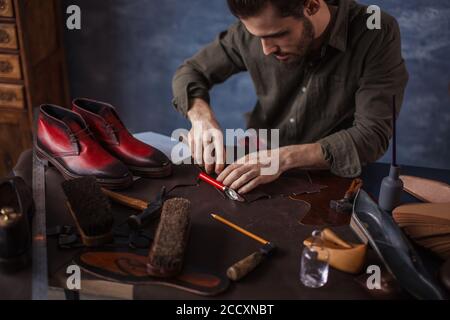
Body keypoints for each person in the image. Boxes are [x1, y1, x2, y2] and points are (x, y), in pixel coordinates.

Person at [171, 0, 408, 194]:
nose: (266, 49)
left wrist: (283, 158)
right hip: (258, 153)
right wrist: (201, 117)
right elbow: (191, 72)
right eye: (257, 37)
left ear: (312, 6)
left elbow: (372, 136)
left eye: (277, 35)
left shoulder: (375, 30)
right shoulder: (257, 27)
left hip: (330, 178)